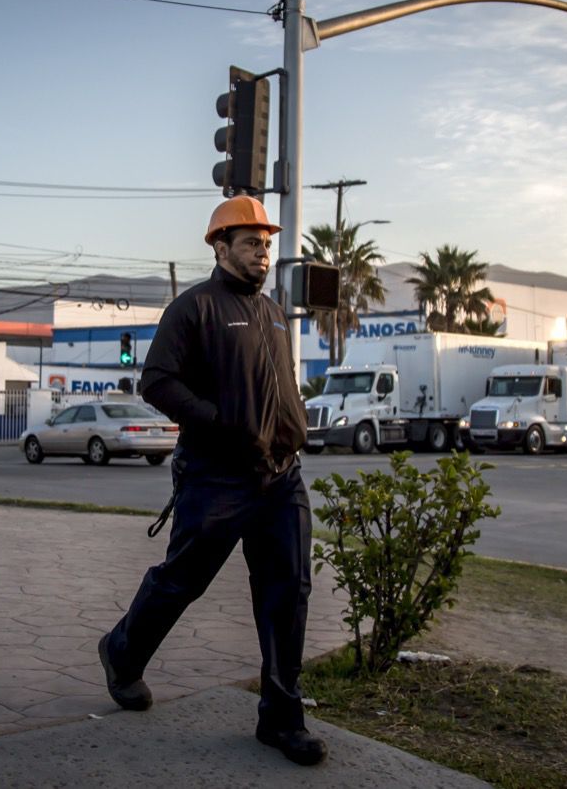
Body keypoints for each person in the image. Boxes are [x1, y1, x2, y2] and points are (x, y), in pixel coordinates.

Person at [98, 196, 325, 766]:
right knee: (182, 581)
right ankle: (122, 652)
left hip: (280, 476)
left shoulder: (274, 313)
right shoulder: (193, 308)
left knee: (288, 590)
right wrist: (218, 422)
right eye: (252, 243)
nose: (263, 253)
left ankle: (280, 717)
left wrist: (291, 426)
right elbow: (157, 381)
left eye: (267, 244)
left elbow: (278, 385)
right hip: (217, 477)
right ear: (220, 247)